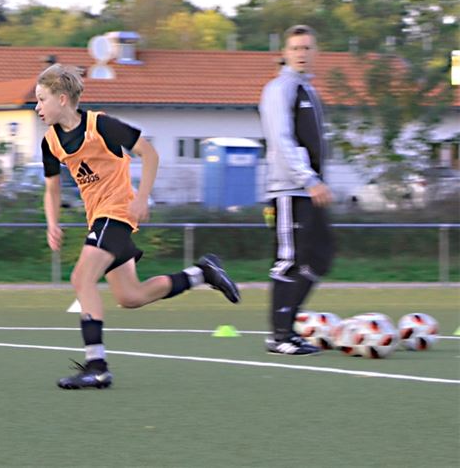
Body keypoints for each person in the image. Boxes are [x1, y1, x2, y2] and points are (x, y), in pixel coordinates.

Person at [37, 64, 241, 389]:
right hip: (100, 218)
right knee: (130, 296)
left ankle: (97, 365)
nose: (37, 108)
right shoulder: (51, 143)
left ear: (62, 99)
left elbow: (149, 153)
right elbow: (51, 188)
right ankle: (202, 273)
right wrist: (52, 223)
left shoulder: (100, 125)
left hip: (117, 212)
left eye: (41, 100)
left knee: (81, 278)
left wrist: (142, 197)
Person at [258, 25, 334, 355]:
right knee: (289, 260)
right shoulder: (280, 89)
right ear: (285, 53)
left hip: (310, 189)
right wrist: (308, 178)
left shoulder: (309, 91)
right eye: (296, 48)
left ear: (315, 52)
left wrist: (317, 181)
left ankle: (289, 326)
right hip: (291, 189)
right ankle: (280, 335)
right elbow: (282, 139)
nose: (302, 53)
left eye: (307, 48)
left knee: (321, 255)